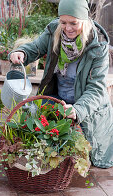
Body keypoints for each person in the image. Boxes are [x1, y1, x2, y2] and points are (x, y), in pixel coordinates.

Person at [9, 0, 113, 168]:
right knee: (41, 136)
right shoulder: (54, 31)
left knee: (83, 156)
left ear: (84, 20)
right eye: (63, 22)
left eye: (74, 23)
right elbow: (36, 47)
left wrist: (78, 109)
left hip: (86, 106)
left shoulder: (97, 46)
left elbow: (96, 89)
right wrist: (22, 52)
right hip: (58, 98)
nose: (68, 28)